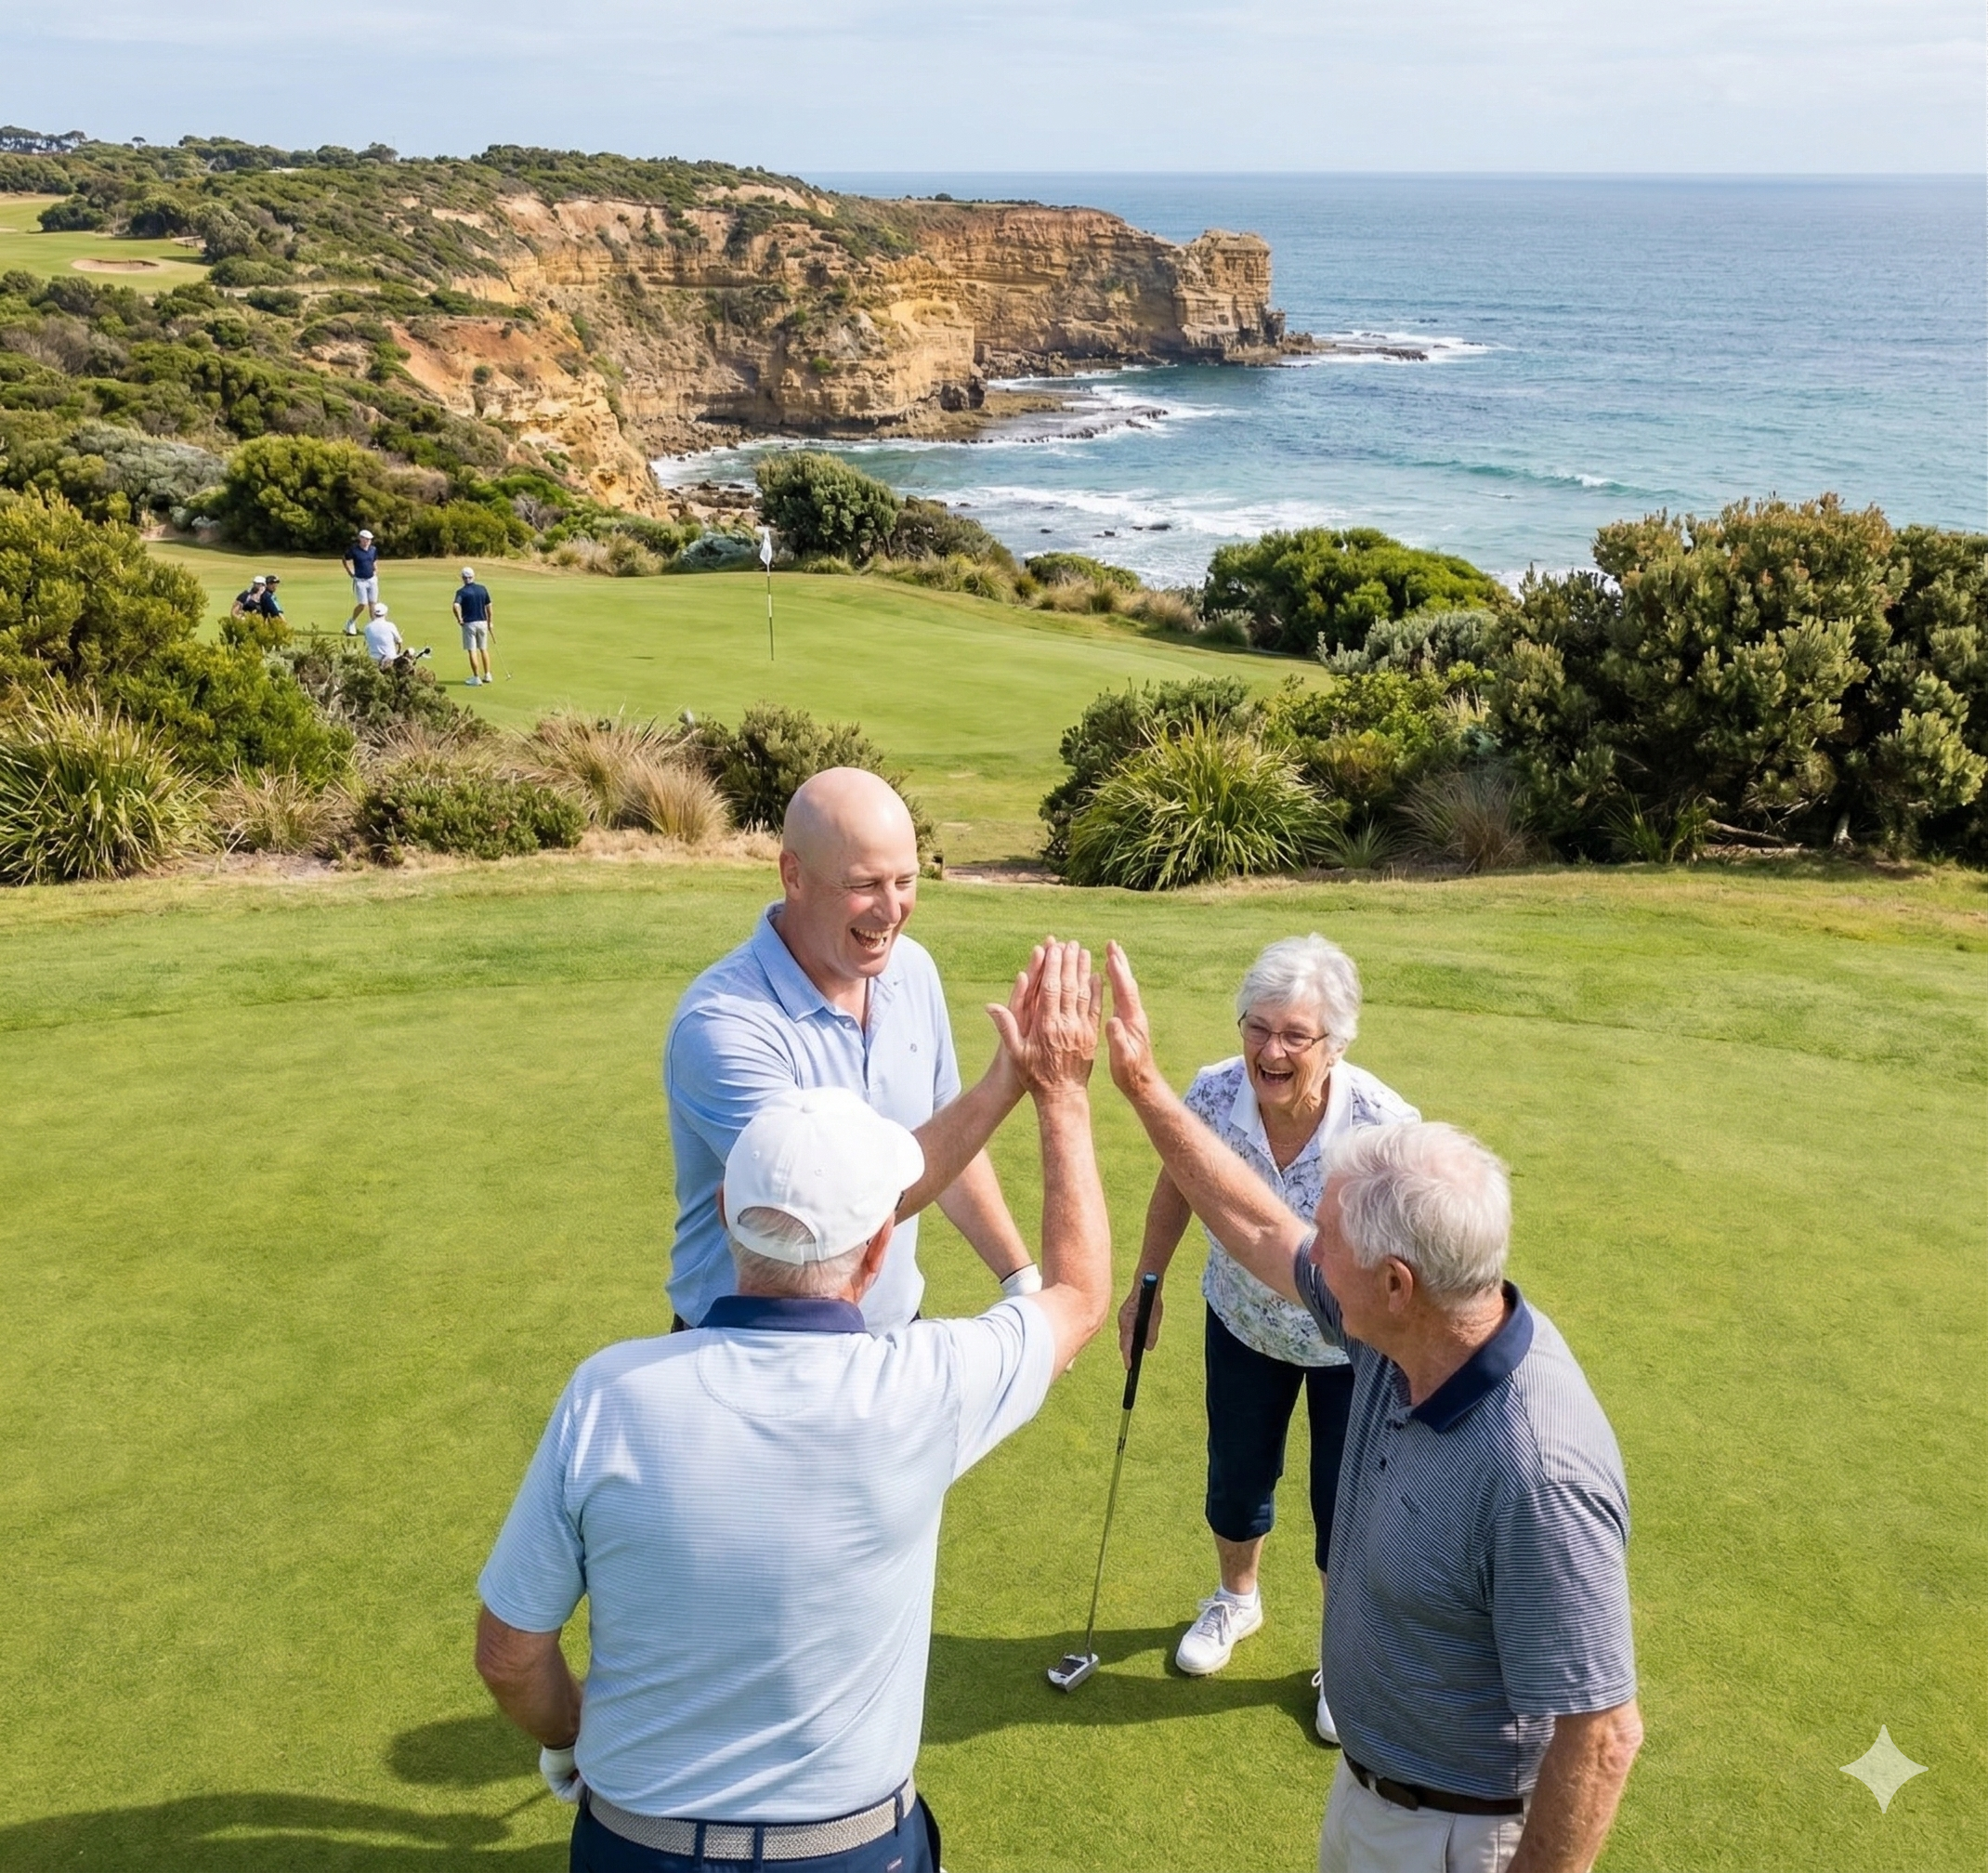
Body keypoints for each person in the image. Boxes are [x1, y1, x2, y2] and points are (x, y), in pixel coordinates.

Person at [476, 941, 1111, 1873]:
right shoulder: (928, 1384)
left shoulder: (605, 1392)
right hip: (851, 1849)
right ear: (877, 1252)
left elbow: (508, 1654)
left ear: (725, 1208)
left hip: (631, 1845)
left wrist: (570, 1736)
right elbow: (1080, 1298)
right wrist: (1060, 1093)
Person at [1102, 944, 1641, 1873]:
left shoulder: (1538, 1470)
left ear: (1395, 1284)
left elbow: (1602, 1738)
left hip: (1455, 1835)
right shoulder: (1400, 1338)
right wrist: (1146, 1089)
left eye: (1332, 1243)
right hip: (1372, 1793)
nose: (1311, 1259)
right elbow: (1263, 1228)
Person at [1118, 935, 1415, 1743]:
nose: (1270, 1051)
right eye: (1258, 1027)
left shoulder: (1384, 1127)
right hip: (1242, 1321)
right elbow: (1178, 1185)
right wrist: (1147, 1286)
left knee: (1344, 1505)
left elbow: (1414, 1263)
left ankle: (1340, 1653)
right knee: (1237, 1476)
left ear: (1335, 1043)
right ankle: (1236, 1600)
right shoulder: (1214, 1093)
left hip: (1353, 1349)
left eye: (1294, 1036)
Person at [663, 766, 1040, 1333]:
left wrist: (1021, 1281)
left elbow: (946, 1134)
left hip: (888, 1340)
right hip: (751, 1351)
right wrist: (1002, 1087)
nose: (892, 910)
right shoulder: (722, 1023)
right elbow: (833, 1205)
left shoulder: (913, 970)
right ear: (793, 875)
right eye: (865, 885)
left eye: (905, 881)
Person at [453, 566, 495, 686]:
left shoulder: (461, 592)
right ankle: (487, 675)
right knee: (483, 649)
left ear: (463, 578)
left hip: (469, 624)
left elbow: (456, 606)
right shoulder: (482, 589)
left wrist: (459, 619)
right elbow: (489, 607)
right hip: (482, 623)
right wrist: (490, 622)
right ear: (473, 576)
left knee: (472, 650)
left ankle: (476, 678)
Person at [342, 528, 380, 636]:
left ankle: (374, 625)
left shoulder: (373, 549)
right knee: (363, 604)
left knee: (373, 603)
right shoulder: (354, 550)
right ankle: (351, 622)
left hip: (372, 579)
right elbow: (344, 558)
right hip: (360, 581)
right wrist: (349, 571)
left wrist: (375, 568)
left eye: (370, 539)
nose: (368, 541)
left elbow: (374, 560)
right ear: (361, 538)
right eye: (366, 539)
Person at [362, 601, 404, 668]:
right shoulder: (390, 626)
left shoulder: (367, 627)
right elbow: (399, 642)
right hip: (390, 659)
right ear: (385, 613)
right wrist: (398, 652)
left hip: (373, 659)